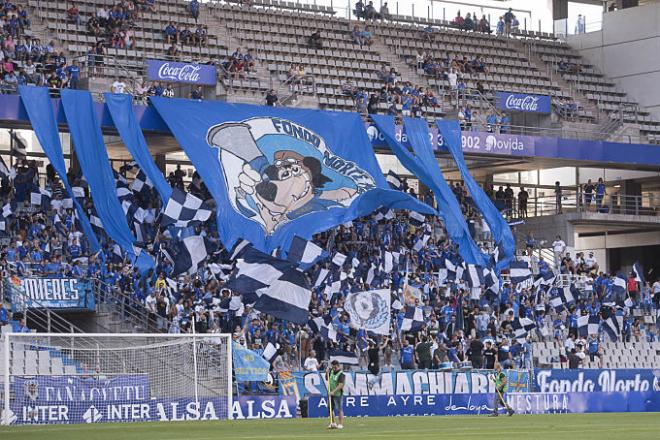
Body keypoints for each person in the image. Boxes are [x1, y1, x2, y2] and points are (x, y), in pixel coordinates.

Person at [327, 360, 345, 429]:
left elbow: (340, 385)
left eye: (335, 367)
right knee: (330, 409)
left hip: (338, 394)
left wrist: (333, 391)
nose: (334, 369)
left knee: (339, 409)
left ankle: (340, 424)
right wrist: (326, 373)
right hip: (330, 394)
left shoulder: (341, 374)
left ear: (338, 366)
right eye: (333, 367)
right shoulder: (331, 371)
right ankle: (333, 423)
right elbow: (327, 379)